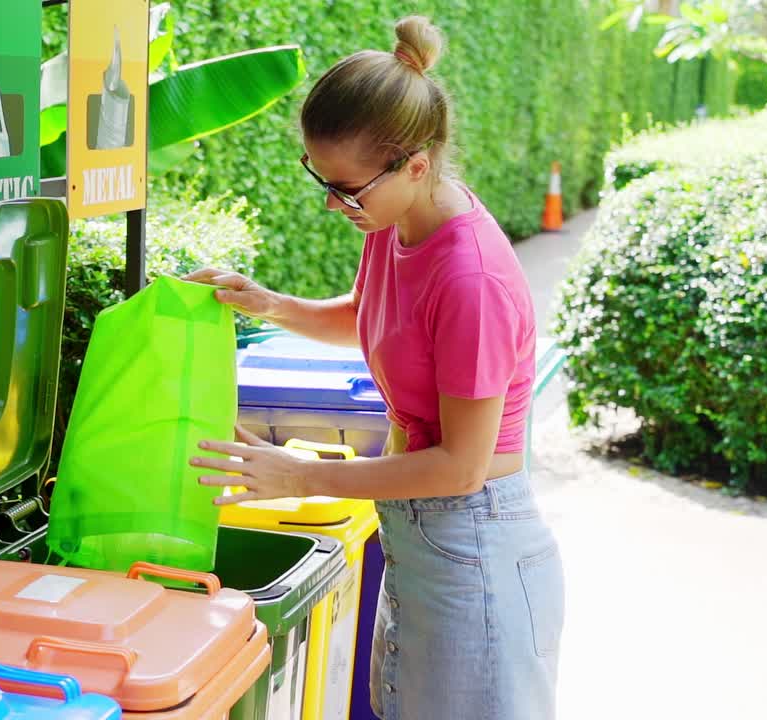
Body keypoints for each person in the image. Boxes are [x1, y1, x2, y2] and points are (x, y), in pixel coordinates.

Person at [185, 15, 565, 720]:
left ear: (416, 166)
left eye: (347, 190)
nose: (335, 204)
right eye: (322, 182)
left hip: (473, 546)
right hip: (420, 538)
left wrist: (296, 475)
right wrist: (266, 303)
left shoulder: (470, 279)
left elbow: (461, 466)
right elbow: (371, 317)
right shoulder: (395, 222)